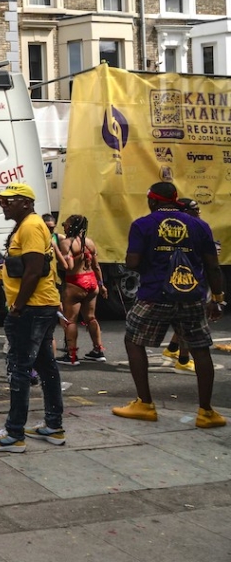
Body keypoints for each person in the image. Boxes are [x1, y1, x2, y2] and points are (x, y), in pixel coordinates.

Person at [111, 182, 225, 428]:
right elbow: (213, 266)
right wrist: (217, 298)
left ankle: (145, 403)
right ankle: (206, 412)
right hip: (192, 296)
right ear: (174, 200)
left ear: (152, 201)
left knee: (133, 340)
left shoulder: (143, 225)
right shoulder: (199, 225)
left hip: (155, 295)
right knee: (201, 349)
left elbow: (132, 262)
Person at [0, 182, 64, 453]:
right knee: (46, 366)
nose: (3, 204)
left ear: (26, 203)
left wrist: (18, 306)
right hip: (40, 306)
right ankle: (53, 426)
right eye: (2, 200)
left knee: (19, 369)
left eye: (9, 200)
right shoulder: (27, 225)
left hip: (32, 308)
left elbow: (34, 270)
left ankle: (14, 434)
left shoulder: (30, 226)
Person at [56, 214, 107, 364]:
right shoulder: (89, 242)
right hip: (92, 282)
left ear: (71, 226)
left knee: (70, 321)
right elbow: (96, 266)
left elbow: (69, 267)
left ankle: (72, 356)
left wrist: (58, 257)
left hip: (75, 283)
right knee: (90, 318)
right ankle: (98, 351)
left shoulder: (67, 243)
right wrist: (102, 285)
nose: (64, 226)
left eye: (65, 223)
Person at [160, 198, 203, 373]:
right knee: (188, 322)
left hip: (182, 279)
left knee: (183, 321)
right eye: (195, 209)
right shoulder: (192, 228)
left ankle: (172, 348)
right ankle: (183, 359)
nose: (199, 211)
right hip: (185, 281)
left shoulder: (176, 226)